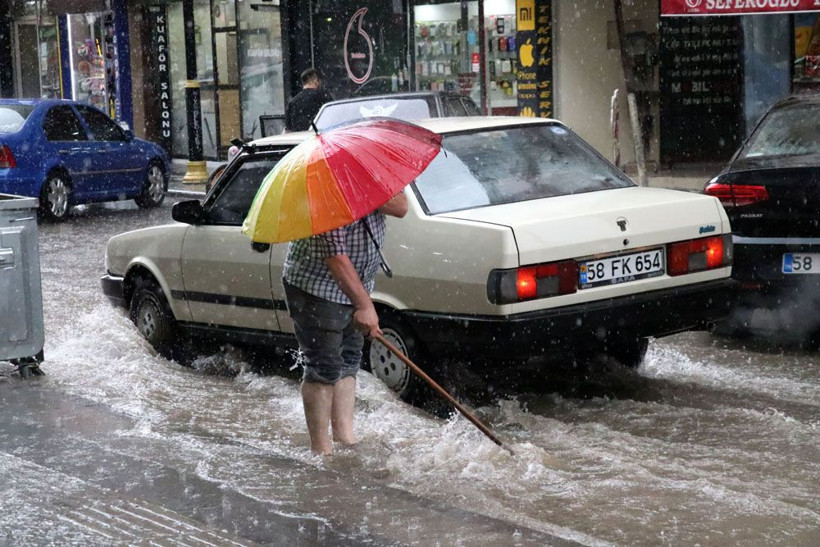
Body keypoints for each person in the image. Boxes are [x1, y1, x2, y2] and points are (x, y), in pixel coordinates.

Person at [282, 192, 408, 455]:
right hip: (316, 287)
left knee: (349, 360)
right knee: (323, 366)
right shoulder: (323, 192)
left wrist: (359, 193)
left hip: (357, 285)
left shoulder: (366, 180)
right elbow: (336, 257)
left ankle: (345, 440)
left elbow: (401, 207)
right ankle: (322, 452)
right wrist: (364, 306)